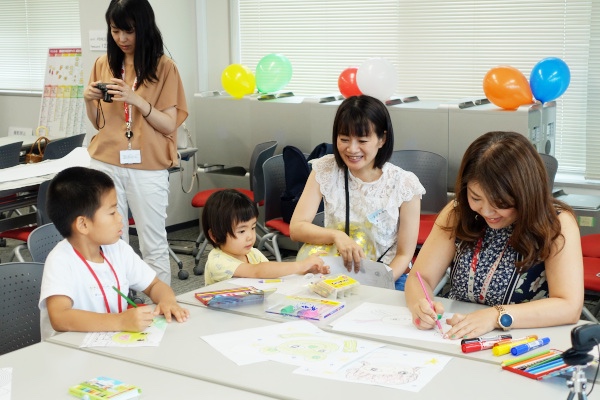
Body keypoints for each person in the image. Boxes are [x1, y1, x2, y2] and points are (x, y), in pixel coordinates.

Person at [405, 131, 583, 339]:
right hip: (456, 336)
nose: (487, 212)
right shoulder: (458, 212)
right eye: (476, 197)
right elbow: (420, 278)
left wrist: (495, 316)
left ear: (525, 195)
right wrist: (420, 303)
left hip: (524, 341)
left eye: (500, 203)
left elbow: (569, 306)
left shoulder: (557, 224)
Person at [83, 0, 188, 285]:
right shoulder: (103, 63)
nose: (122, 39)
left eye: (129, 31)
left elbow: (168, 124)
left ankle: (162, 309)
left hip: (148, 165)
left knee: (152, 242)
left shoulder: (164, 67)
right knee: (111, 243)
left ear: (144, 28)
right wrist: (88, 99)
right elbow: (98, 123)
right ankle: (121, 308)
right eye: (116, 31)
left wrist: (136, 100)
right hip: (105, 161)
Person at [289, 95, 425, 290]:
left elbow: (404, 254)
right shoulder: (326, 169)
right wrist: (337, 236)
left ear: (382, 139)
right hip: (334, 275)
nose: (352, 149)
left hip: (386, 276)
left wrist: (378, 283)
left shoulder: (405, 184)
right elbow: (296, 228)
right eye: (344, 139)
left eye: (362, 140)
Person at [39, 167, 189, 340]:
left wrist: (167, 300)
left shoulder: (118, 249)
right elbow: (60, 318)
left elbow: (154, 285)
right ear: (83, 224)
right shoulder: (60, 260)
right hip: (69, 353)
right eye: (112, 212)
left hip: (109, 344)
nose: (120, 218)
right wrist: (119, 321)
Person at [202, 189, 330, 286]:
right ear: (215, 236)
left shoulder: (253, 253)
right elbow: (257, 271)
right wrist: (301, 265)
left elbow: (272, 274)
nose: (250, 236)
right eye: (241, 231)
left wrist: (306, 270)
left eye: (252, 228)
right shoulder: (218, 261)